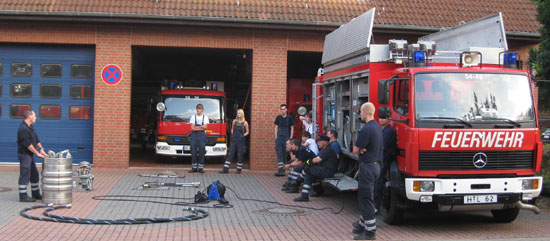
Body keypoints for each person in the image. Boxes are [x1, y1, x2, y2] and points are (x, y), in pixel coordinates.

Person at [351, 102, 383, 240]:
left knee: (366, 199)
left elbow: (355, 149)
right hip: (376, 166)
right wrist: (362, 149)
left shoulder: (367, 129)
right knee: (368, 196)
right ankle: (362, 225)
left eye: (360, 112)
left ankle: (370, 233)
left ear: (366, 112)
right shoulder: (377, 126)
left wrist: (361, 149)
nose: (360, 114)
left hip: (367, 167)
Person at [294, 135, 338, 202]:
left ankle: (298, 181)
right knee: (310, 174)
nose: (318, 143)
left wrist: (308, 162)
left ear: (325, 142)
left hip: (328, 171)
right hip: (324, 170)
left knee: (308, 169)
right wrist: (308, 163)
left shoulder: (328, 150)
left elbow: (317, 159)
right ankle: (307, 194)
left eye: (319, 141)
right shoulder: (324, 150)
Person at [17, 110, 47, 202]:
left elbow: (36, 139)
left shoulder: (30, 127)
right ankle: (23, 196)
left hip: (29, 155)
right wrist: (37, 153)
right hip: (24, 155)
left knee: (34, 174)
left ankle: (36, 194)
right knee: (25, 174)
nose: (36, 117)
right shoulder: (23, 129)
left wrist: (41, 149)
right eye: (35, 116)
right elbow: (28, 144)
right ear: (30, 116)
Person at [374, 112, 397, 214]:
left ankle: (376, 207)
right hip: (378, 160)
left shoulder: (389, 132)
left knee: (379, 184)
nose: (381, 120)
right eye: (380, 117)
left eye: (384, 118)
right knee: (375, 183)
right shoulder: (381, 130)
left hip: (383, 161)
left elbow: (382, 146)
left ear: (389, 119)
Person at [220, 109, 249, 174]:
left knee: (240, 155)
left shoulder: (245, 123)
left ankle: (239, 169)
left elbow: (247, 132)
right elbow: (232, 129)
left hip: (241, 141)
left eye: (239, 113)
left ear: (242, 114)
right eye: (237, 113)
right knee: (230, 154)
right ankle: (225, 169)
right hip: (234, 140)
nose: (238, 115)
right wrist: (232, 134)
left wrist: (243, 135)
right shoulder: (234, 121)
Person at [274, 104, 294, 176]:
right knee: (279, 153)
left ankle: (284, 169)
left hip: (286, 137)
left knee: (285, 153)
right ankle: (280, 170)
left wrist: (290, 138)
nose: (283, 110)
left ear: (286, 109)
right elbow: (276, 127)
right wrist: (276, 137)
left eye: (284, 109)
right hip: (279, 137)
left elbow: (292, 128)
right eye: (281, 109)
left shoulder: (289, 118)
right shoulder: (278, 118)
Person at [189, 104, 209, 173]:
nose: (198, 110)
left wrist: (196, 128)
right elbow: (192, 128)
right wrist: (201, 127)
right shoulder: (193, 117)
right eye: (197, 109)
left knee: (202, 150)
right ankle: (194, 167)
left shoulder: (205, 117)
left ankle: (201, 167)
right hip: (194, 135)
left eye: (199, 109)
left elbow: (206, 127)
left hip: (202, 136)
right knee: (193, 150)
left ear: (202, 110)